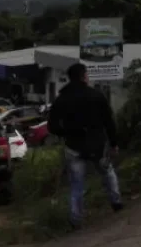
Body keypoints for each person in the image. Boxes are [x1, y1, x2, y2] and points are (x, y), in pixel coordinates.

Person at [48, 62, 123, 229]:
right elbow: (109, 121)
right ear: (84, 76)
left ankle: (76, 219)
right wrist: (114, 143)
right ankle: (116, 202)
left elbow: (52, 126)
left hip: (73, 146)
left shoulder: (62, 98)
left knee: (76, 185)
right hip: (97, 144)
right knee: (108, 173)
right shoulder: (96, 95)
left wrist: (67, 132)